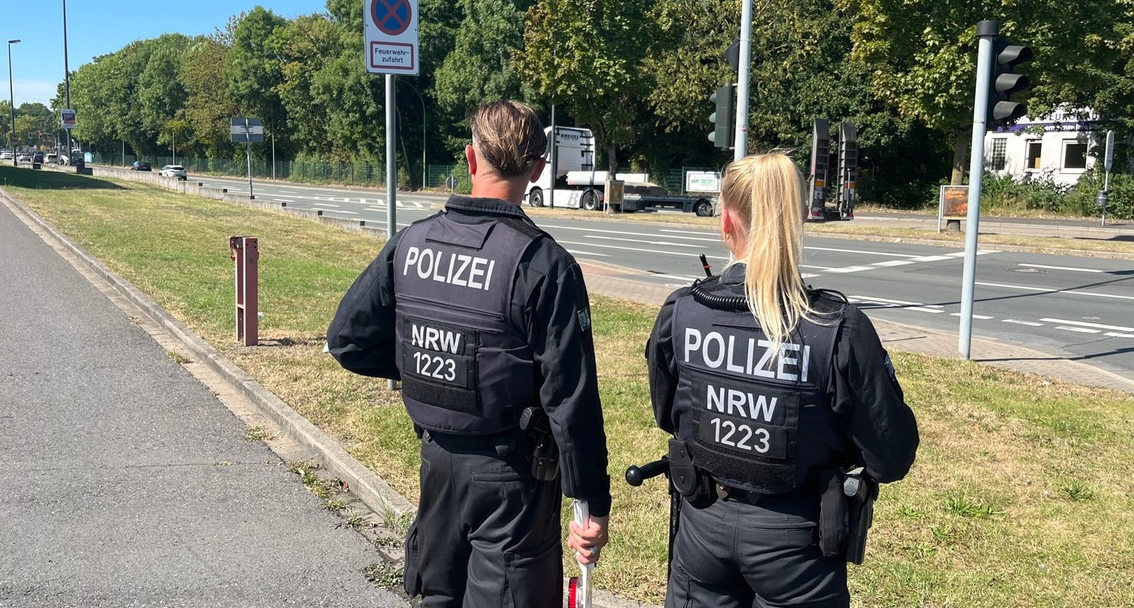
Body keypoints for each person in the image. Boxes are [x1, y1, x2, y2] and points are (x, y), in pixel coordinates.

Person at [327, 100, 610, 608]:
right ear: (539, 168)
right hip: (513, 483)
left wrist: (422, 361)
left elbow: (347, 340)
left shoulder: (410, 243)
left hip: (437, 467)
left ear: (470, 158)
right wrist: (591, 503)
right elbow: (571, 399)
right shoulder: (544, 264)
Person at [646, 153, 919, 608]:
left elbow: (667, 411)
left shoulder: (683, 311)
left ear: (727, 221)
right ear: (797, 219)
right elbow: (891, 456)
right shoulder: (837, 327)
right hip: (798, 544)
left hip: (702, 530)